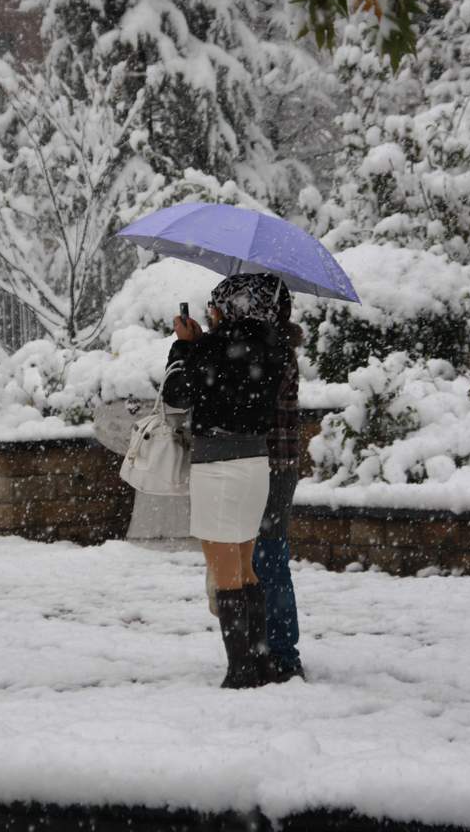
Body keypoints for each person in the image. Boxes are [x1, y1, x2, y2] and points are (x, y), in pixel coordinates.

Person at [162, 273, 290, 689]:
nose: (211, 312)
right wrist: (204, 344)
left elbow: (176, 394)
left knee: (226, 573)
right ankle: (261, 662)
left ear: (232, 306)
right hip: (255, 465)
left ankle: (241, 672)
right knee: (247, 570)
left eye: (216, 305)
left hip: (217, 468)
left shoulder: (212, 349)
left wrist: (184, 346)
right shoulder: (275, 349)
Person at [254, 281, 305, 682]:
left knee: (270, 556)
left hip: (274, 467)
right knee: (262, 556)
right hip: (266, 465)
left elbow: (255, 401)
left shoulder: (274, 352)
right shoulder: (267, 347)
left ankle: (284, 652)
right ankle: (267, 645)